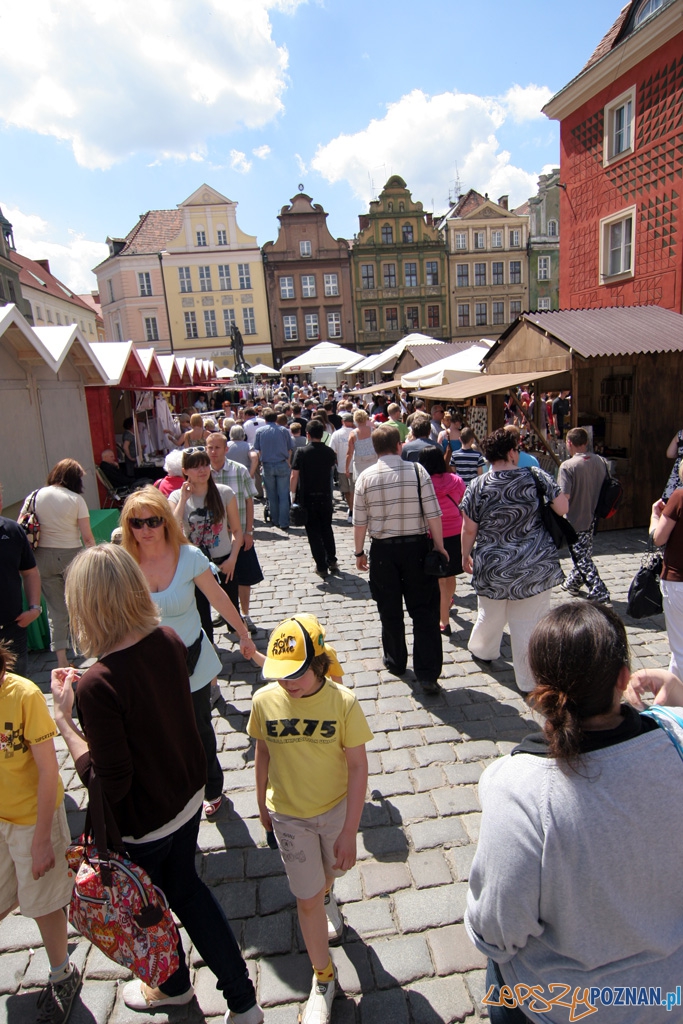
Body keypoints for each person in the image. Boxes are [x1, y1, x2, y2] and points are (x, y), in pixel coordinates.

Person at [51, 545, 263, 1023]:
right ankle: (243, 1002)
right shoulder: (168, 639)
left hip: (144, 822)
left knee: (150, 908)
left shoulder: (97, 686)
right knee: (188, 890)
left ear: (85, 605)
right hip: (185, 798)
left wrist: (65, 720)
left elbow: (107, 783)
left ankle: (173, 986)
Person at [466, 602, 683, 1024]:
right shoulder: (674, 744)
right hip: (667, 993)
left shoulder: (516, 786)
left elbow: (496, 931)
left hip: (563, 1005)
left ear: (538, 688)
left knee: (498, 971)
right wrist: (675, 691)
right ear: (622, 678)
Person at [246, 616, 372, 1024]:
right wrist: (261, 804)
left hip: (335, 811)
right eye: (280, 675)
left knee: (332, 872)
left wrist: (350, 831)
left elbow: (358, 767)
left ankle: (327, 893)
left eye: (296, 673)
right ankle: (324, 977)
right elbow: (263, 752)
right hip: (288, 816)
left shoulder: (343, 703)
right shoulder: (265, 701)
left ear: (318, 664)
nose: (287, 683)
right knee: (306, 898)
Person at [120, 487, 254, 818]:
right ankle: (173, 786)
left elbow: (218, 597)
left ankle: (212, 787)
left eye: (153, 521)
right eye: (137, 523)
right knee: (158, 732)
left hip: (190, 660)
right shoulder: (123, 562)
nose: (146, 529)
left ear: (165, 521)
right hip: (147, 666)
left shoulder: (188, 557)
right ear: (128, 526)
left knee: (198, 728)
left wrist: (242, 633)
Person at [0, 640, 81, 1024]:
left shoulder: (23, 695)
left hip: (34, 818)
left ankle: (63, 973)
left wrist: (41, 840)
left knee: (44, 903)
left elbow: (49, 770)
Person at [460, 429, 567, 693]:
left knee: (490, 613)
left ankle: (483, 650)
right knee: (528, 623)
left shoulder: (478, 485)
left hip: (493, 564)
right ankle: (528, 682)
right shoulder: (535, 475)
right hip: (534, 563)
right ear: (511, 452)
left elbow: (469, 529)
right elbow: (563, 508)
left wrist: (465, 555)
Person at [353, 424, 448, 696]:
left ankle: (395, 661)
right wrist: (440, 547)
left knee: (389, 609)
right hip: (417, 549)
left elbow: (359, 522)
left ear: (375, 448)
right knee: (424, 611)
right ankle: (427, 673)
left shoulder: (365, 477)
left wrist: (359, 552)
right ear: (399, 446)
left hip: (383, 552)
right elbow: (433, 514)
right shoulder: (418, 471)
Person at [20, 460, 95, 669]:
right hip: (71, 555)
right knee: (81, 604)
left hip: (41, 557)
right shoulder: (76, 499)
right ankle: (90, 648)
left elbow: (20, 525)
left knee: (56, 610)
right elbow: (87, 537)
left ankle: (61, 659)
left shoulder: (34, 495)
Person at [206, 433, 263, 633]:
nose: (213, 452)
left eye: (217, 447)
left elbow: (249, 501)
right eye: (210, 447)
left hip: (240, 533)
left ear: (226, 449)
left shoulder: (239, 470)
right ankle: (225, 611)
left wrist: (249, 531)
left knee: (244, 576)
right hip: (215, 537)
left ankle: (245, 615)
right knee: (219, 576)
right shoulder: (203, 473)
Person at [558, 426, 610, 603]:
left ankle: (599, 590)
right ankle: (573, 583)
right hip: (593, 514)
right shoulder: (601, 461)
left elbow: (565, 497)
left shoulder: (568, 466)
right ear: (586, 442)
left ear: (569, 443)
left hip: (575, 517)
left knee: (581, 557)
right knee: (583, 551)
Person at [418, 448, 466, 636]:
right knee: (450, 574)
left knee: (440, 579)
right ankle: (448, 601)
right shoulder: (456, 481)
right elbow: (462, 502)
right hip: (455, 532)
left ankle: (444, 621)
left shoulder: (422, 484)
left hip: (432, 534)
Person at [0, 482, 42, 678]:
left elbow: (30, 571)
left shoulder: (12, 531)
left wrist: (34, 609)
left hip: (12, 629)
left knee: (17, 686)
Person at [291, 420, 338, 580]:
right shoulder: (329, 452)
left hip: (308, 497)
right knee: (326, 529)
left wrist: (292, 495)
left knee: (313, 533)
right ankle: (332, 560)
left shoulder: (301, 452)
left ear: (308, 434)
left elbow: (294, 475)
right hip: (325, 496)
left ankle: (321, 566)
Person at [650, 468, 683, 678]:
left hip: (678, 579)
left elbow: (658, 538)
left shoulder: (679, 497)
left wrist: (655, 516)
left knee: (680, 647)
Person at [253, 408, 294, 532]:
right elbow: (290, 449)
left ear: (265, 419)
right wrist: (288, 462)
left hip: (267, 465)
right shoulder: (284, 431)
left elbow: (258, 450)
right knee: (283, 494)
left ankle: (275, 519)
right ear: (276, 419)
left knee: (271, 494)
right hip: (282, 463)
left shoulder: (260, 431)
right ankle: (284, 521)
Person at [330, 412, 356, 520]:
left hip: (342, 466)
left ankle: (351, 510)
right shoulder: (357, 433)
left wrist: (336, 460)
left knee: (346, 490)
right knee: (354, 490)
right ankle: (353, 510)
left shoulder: (336, 434)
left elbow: (332, 450)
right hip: (356, 466)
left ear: (342, 421)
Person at [345, 409, 377, 482]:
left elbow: (349, 453)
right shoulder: (373, 430)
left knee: (361, 484)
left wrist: (346, 468)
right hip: (373, 460)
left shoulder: (353, 434)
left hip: (360, 463)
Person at [663, 428, 683, 500]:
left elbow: (670, 454)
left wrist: (680, 456)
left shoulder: (680, 434)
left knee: (673, 501)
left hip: (679, 473)